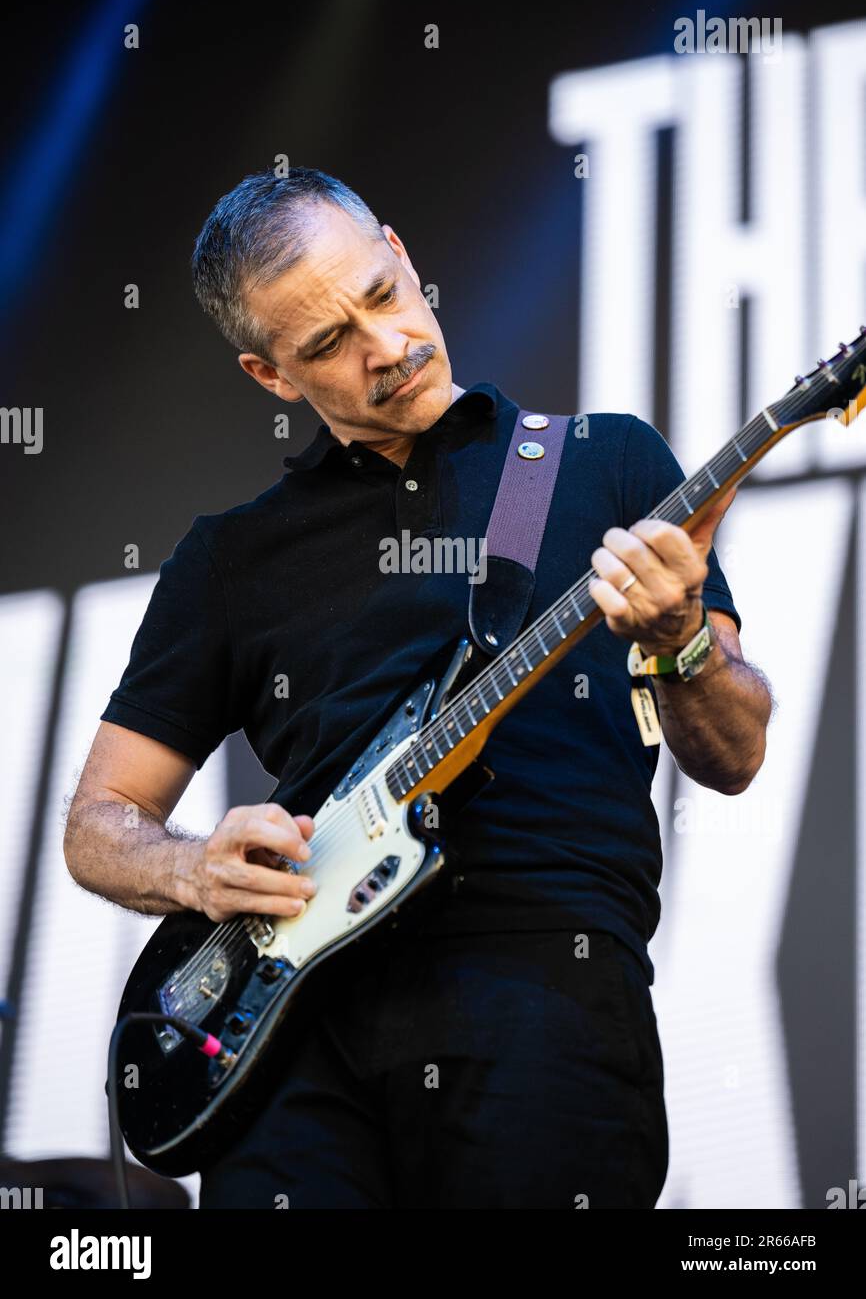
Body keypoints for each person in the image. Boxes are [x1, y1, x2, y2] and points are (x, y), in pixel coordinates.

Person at [64, 167, 773, 1209]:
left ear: (399, 250)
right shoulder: (229, 556)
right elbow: (97, 822)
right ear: (269, 376)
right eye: (326, 346)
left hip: (543, 990)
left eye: (381, 295)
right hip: (286, 1029)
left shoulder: (599, 460)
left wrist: (675, 638)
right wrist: (187, 870)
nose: (387, 348)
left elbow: (735, 752)